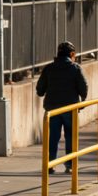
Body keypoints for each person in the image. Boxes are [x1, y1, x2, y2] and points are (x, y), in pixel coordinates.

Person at [36, 41, 89, 175]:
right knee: (70, 136)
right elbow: (84, 87)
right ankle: (70, 165)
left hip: (52, 109)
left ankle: (49, 163)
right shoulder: (75, 68)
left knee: (52, 137)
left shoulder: (49, 68)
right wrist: (83, 100)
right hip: (70, 108)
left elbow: (40, 90)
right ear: (71, 54)